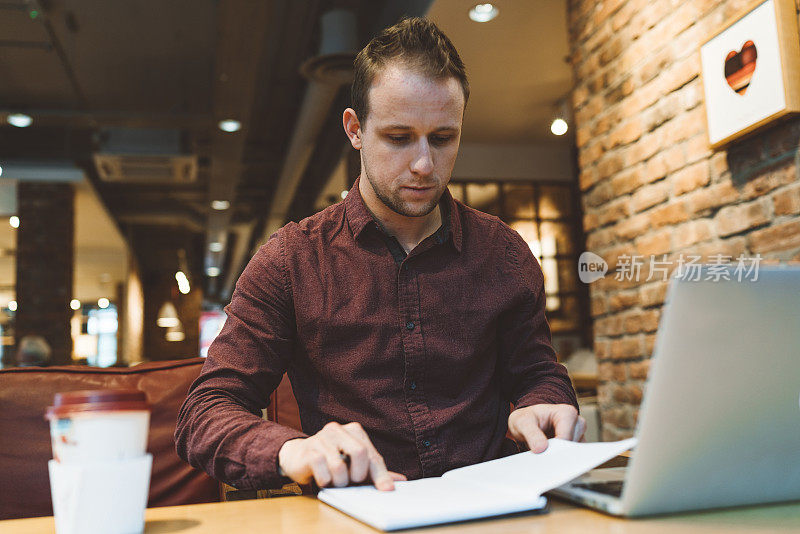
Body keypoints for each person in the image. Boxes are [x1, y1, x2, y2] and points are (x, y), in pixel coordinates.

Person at [176, 17, 584, 493]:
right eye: (398, 137)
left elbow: (538, 373)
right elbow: (204, 412)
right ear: (355, 129)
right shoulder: (291, 261)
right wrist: (294, 450)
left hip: (491, 508)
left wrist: (545, 402)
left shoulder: (503, 253)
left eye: (443, 137)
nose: (424, 165)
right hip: (356, 513)